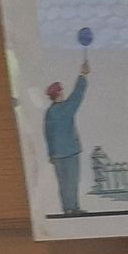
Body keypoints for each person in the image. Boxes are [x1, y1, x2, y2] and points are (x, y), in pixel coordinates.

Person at [44, 67, 90, 216]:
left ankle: (67, 209)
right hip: (70, 151)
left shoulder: (50, 112)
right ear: (59, 94)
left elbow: (47, 135)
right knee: (72, 181)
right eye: (62, 91)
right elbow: (77, 96)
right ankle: (73, 208)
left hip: (57, 154)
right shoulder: (65, 109)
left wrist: (51, 154)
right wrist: (83, 75)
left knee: (63, 183)